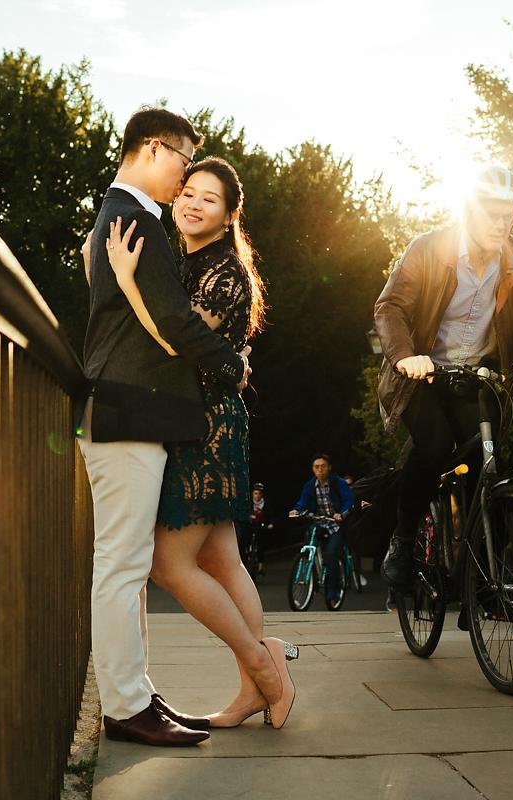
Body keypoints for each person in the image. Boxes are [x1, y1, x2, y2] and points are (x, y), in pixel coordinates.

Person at [97, 155, 298, 731]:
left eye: (208, 198)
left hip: (206, 426)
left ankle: (265, 669)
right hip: (204, 417)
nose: (191, 203)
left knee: (168, 562)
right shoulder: (189, 263)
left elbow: (174, 341)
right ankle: (255, 688)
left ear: (230, 213)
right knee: (222, 560)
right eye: (187, 192)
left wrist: (127, 279)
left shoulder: (225, 273)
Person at [373, 166, 513, 591]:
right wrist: (407, 357)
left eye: (510, 214)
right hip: (422, 376)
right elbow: (391, 308)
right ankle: (404, 540)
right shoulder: (429, 249)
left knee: (492, 463)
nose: (502, 224)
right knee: (433, 444)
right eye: (492, 213)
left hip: (476, 376)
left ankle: (485, 578)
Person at [289, 454, 354, 603]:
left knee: (331, 555)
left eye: (323, 466)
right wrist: (296, 510)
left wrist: (341, 514)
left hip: (336, 524)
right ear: (313, 469)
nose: (320, 470)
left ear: (329, 467)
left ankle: (333, 591)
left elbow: (349, 501)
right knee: (308, 542)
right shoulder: (310, 485)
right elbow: (302, 502)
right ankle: (312, 571)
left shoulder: (339, 483)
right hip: (319, 522)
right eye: (316, 467)